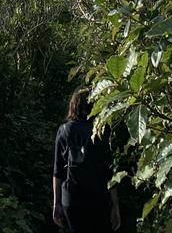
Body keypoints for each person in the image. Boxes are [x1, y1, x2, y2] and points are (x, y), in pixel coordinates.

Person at [52, 88, 121, 232]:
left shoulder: (64, 131)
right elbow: (109, 172)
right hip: (98, 199)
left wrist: (56, 204)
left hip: (72, 199)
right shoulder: (102, 131)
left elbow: (58, 171)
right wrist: (115, 206)